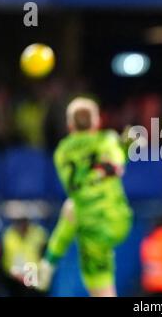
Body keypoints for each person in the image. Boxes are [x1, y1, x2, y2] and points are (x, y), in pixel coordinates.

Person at [37, 97, 133, 297]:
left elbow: (76, 183)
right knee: (71, 209)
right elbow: (116, 163)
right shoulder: (106, 139)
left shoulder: (61, 152)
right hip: (117, 218)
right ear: (97, 122)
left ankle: (48, 264)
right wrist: (126, 146)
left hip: (91, 228)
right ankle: (47, 265)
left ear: (69, 125)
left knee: (72, 209)